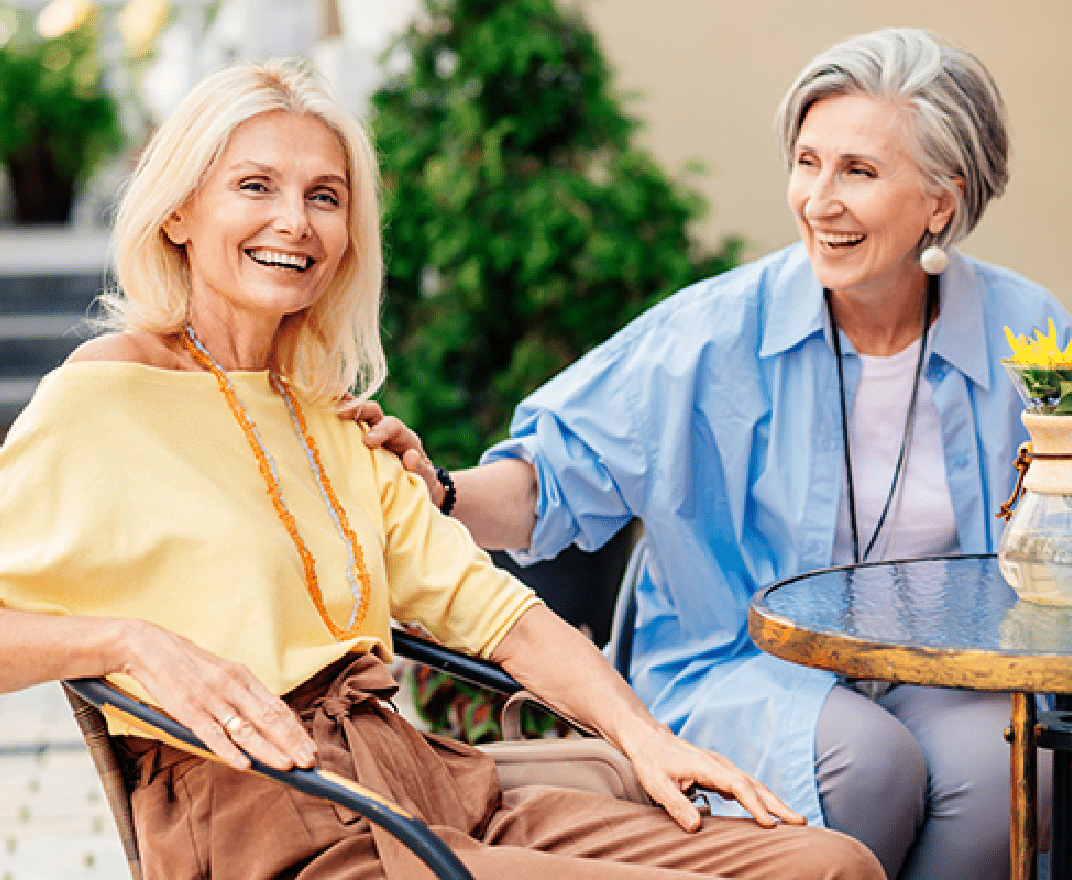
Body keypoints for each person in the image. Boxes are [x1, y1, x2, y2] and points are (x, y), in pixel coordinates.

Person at [0, 59, 883, 880]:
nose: (294, 222)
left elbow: (498, 614)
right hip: (258, 816)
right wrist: (125, 641)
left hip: (420, 781)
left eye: (325, 196)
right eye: (255, 187)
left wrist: (647, 740)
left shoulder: (332, 420)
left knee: (829, 865)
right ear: (179, 213)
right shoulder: (105, 398)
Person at [358, 28, 1070, 880]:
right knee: (870, 764)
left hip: (939, 671)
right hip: (740, 663)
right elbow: (552, 478)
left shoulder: (1028, 337)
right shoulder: (712, 333)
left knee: (1010, 767)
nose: (818, 200)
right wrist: (436, 490)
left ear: (941, 202)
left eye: (859, 172)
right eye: (808, 162)